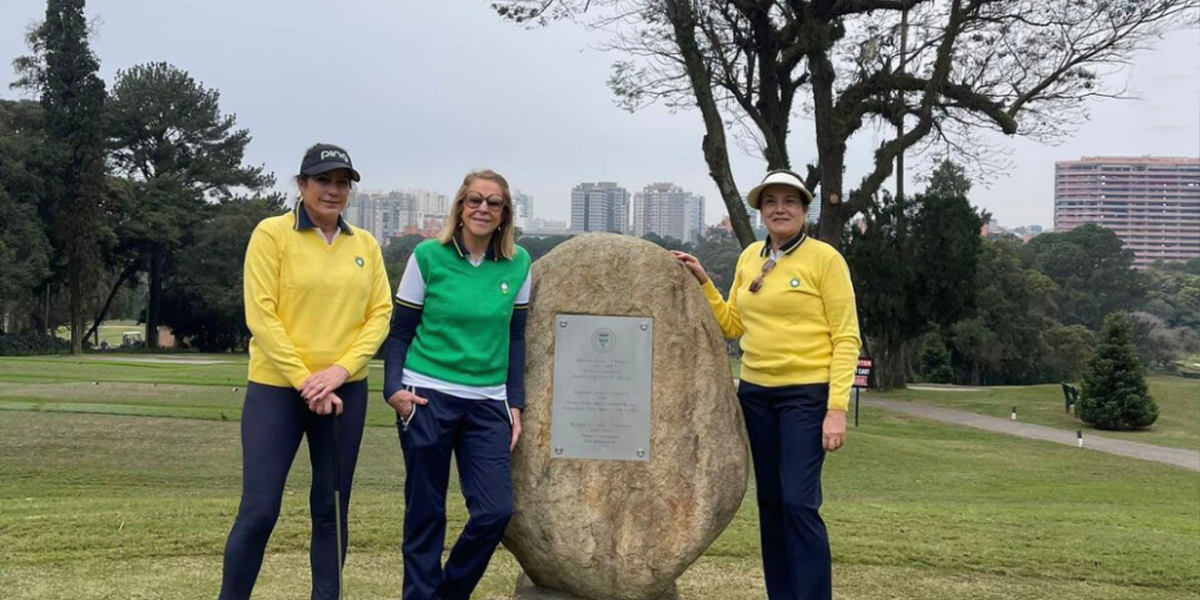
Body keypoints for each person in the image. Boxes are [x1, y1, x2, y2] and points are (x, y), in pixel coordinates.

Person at [673, 169, 861, 600]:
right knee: (772, 506)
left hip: (806, 396)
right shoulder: (749, 258)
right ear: (760, 210)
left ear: (804, 210)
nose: (780, 208)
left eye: (790, 201)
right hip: (756, 395)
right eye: (770, 201)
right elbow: (733, 325)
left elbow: (846, 337)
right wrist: (704, 281)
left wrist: (837, 409)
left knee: (799, 503)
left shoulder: (825, 260)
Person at [218, 144, 393, 600]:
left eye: (342, 183)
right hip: (277, 390)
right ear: (301, 185)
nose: (333, 191)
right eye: (323, 181)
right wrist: (305, 379)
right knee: (259, 510)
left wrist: (339, 371)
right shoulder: (272, 234)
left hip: (344, 392)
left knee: (331, 511)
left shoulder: (366, 245)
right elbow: (262, 315)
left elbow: (379, 315)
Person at [383, 169, 531, 600]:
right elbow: (400, 330)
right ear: (461, 208)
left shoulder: (519, 263)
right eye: (475, 200)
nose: (483, 208)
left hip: (487, 403)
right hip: (425, 397)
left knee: (495, 511)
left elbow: (516, 336)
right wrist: (394, 389)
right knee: (426, 513)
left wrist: (515, 403)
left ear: (505, 214)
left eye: (494, 203)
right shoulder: (428, 256)